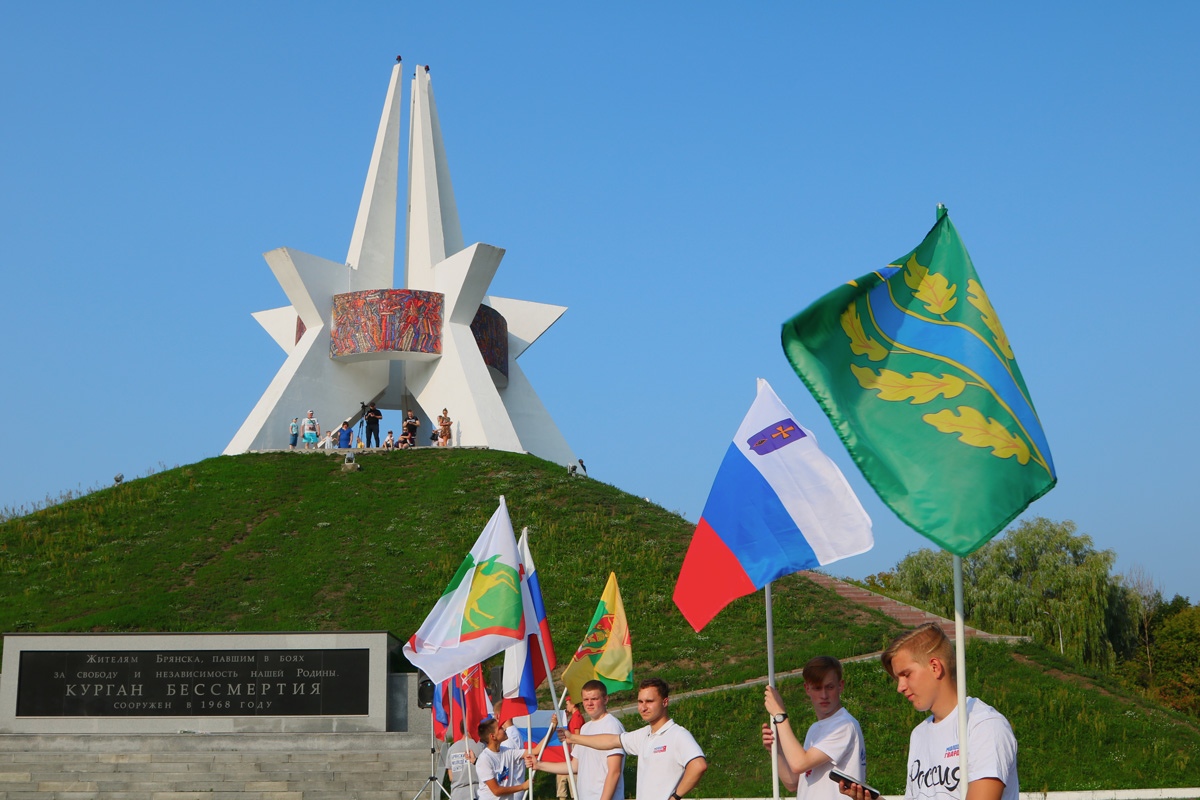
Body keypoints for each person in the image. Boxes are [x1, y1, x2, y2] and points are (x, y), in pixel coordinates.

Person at [843, 623, 1017, 800]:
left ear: (935, 667)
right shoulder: (919, 734)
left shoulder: (984, 725)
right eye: (898, 678)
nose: (900, 687)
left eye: (906, 674)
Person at [561, 677, 705, 800]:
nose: (643, 707)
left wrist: (675, 797)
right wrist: (573, 738)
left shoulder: (677, 734)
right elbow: (610, 741)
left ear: (665, 702)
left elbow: (699, 765)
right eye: (640, 702)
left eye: (649, 701)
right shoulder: (643, 734)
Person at [760, 656, 866, 799]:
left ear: (840, 686)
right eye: (817, 688)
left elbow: (799, 763)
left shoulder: (844, 725)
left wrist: (780, 716)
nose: (824, 695)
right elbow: (793, 782)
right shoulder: (815, 729)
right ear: (807, 689)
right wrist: (776, 749)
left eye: (830, 687)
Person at [528, 682, 624, 800]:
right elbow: (574, 766)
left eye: (594, 699)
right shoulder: (585, 728)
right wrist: (539, 765)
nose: (589, 703)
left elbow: (615, 771)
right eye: (586, 699)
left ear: (605, 699)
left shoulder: (612, 726)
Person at [470, 717, 530, 800]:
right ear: (493, 736)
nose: (504, 729)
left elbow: (534, 751)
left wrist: (552, 728)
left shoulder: (507, 751)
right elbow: (496, 791)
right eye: (500, 728)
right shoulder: (484, 759)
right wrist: (522, 786)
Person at [447, 734, 485, 800]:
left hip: (458, 793)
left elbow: (451, 777)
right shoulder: (481, 746)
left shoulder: (452, 748)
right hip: (477, 792)